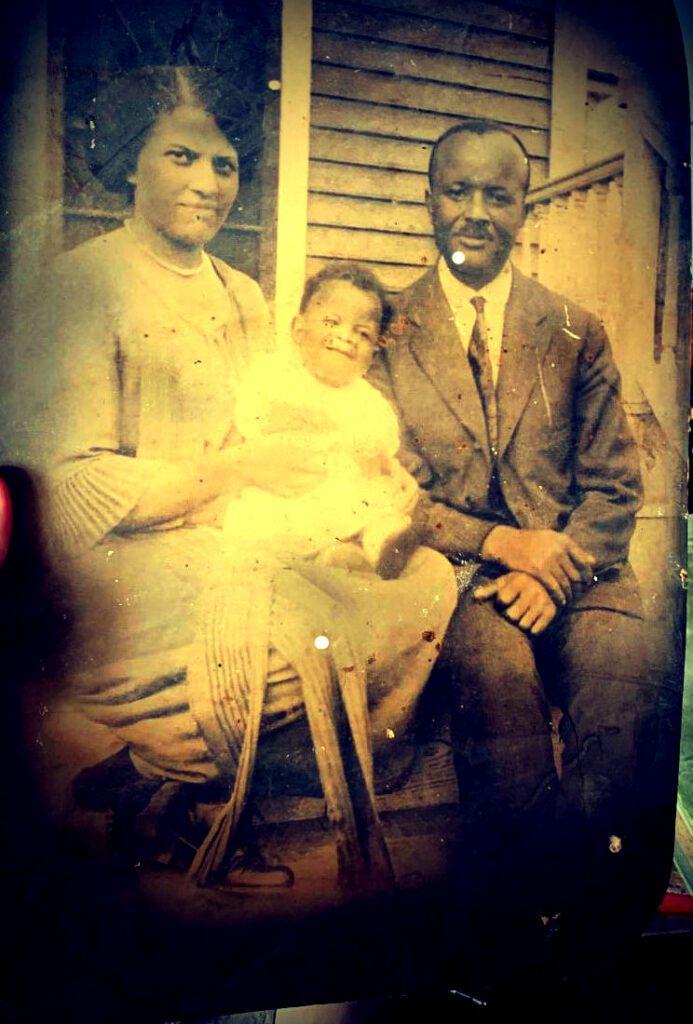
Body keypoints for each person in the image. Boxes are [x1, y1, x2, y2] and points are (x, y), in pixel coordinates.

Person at [0, 66, 456, 894]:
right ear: (130, 162)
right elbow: (65, 495)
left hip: (236, 531)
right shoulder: (81, 284)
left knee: (423, 583)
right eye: (181, 156)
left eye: (224, 165)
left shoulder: (244, 294)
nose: (206, 184)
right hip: (123, 557)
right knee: (285, 613)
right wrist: (228, 476)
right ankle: (168, 778)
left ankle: (157, 770)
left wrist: (361, 472)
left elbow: (282, 421)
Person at [369, 119, 661, 928]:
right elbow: (391, 494)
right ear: (429, 200)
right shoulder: (387, 329)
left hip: (581, 570)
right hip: (462, 578)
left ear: (523, 209)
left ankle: (579, 906)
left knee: (620, 683)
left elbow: (614, 484)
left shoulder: (573, 327)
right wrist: (500, 549)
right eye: (457, 190)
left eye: (496, 194)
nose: (474, 210)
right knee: (498, 684)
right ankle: (528, 915)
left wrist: (548, 564)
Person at [222, 262, 420, 573]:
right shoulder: (274, 376)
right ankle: (335, 556)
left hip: (343, 493)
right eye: (332, 321)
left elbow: (380, 456)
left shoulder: (369, 402)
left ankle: (382, 543)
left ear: (372, 354)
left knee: (379, 509)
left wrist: (383, 466)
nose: (346, 336)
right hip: (286, 492)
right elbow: (248, 427)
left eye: (363, 333)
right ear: (298, 331)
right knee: (263, 524)